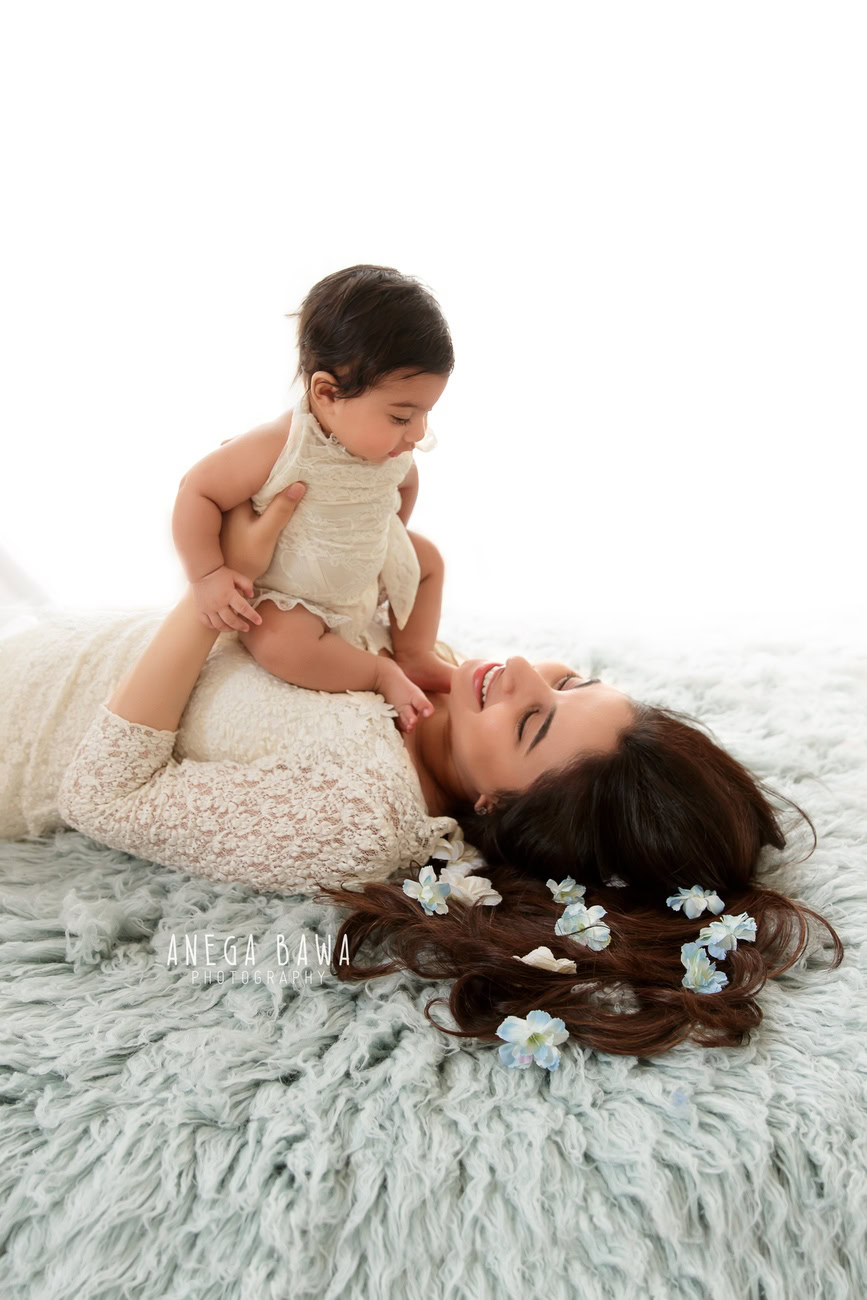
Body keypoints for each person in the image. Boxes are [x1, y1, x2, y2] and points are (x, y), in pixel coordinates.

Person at [172, 264, 457, 733]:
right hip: (294, 593)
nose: (418, 433)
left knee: (427, 560)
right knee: (280, 643)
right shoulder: (281, 446)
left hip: (360, 571)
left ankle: (416, 653)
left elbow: (405, 483)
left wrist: (392, 536)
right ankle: (379, 670)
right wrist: (207, 575)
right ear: (326, 393)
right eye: (403, 416)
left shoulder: (388, 446)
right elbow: (196, 490)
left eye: (426, 413)